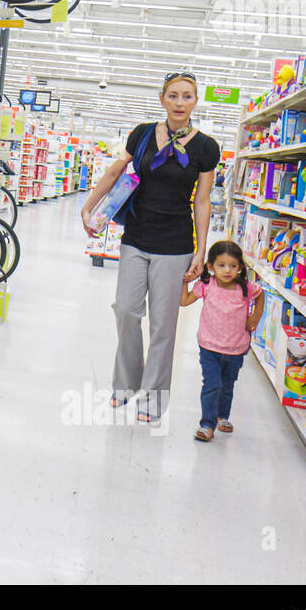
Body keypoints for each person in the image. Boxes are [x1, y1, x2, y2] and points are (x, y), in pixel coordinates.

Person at [80, 71, 220, 423]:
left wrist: (201, 251)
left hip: (175, 245)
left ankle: (153, 399)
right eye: (173, 95)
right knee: (125, 309)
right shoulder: (143, 133)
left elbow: (202, 201)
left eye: (187, 96)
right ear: (162, 99)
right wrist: (89, 206)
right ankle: (125, 385)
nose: (180, 102)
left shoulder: (206, 147)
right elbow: (116, 171)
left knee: (163, 326)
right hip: (136, 238)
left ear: (195, 101)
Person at [181, 241, 264, 442]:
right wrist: (184, 281)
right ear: (210, 266)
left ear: (240, 267)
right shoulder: (206, 285)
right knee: (212, 384)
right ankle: (207, 425)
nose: (227, 270)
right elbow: (184, 301)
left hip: (236, 348)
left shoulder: (246, 288)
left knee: (227, 385)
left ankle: (222, 416)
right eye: (221, 265)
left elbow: (261, 296)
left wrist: (255, 317)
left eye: (233, 266)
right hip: (209, 347)